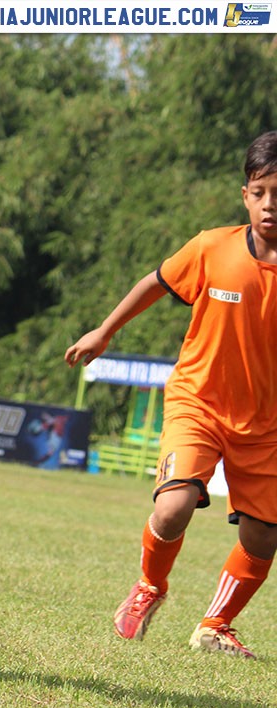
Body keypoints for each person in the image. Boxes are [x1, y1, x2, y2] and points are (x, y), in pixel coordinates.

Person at [64, 130, 277, 659]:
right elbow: (154, 282)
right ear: (245, 194)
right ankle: (149, 586)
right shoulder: (212, 247)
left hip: (267, 424)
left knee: (263, 539)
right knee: (173, 507)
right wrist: (104, 331)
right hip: (197, 403)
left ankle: (215, 625)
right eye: (261, 190)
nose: (271, 204)